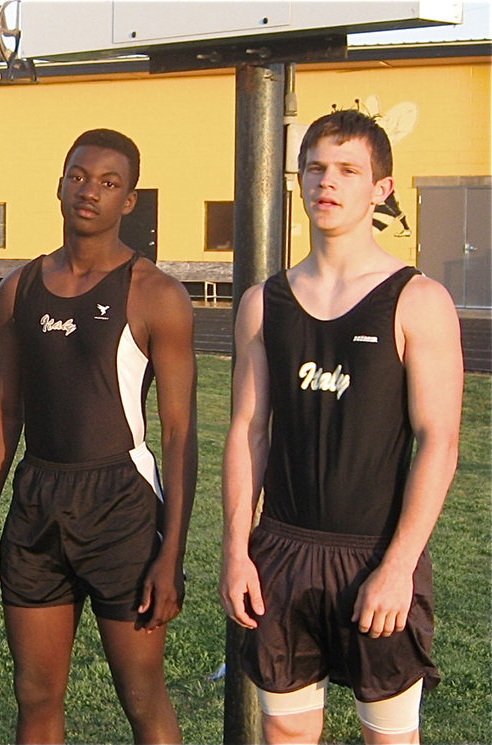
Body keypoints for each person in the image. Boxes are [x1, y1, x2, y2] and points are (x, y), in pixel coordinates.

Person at [218, 110, 463, 745]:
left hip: (375, 555)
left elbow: (440, 441)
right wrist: (237, 550)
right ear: (298, 179)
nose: (328, 182)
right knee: (287, 735)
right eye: (316, 168)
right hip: (282, 551)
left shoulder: (417, 299)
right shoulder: (261, 303)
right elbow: (247, 429)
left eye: (349, 170)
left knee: (387, 738)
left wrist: (399, 565)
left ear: (380, 188)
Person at [0, 129, 196, 744]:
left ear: (129, 200)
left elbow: (179, 435)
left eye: (108, 182)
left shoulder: (156, 295)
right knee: (36, 696)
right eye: (78, 176)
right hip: (37, 502)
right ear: (60, 183)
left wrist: (170, 553)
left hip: (120, 503)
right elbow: (5, 411)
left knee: (141, 695)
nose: (88, 191)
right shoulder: (19, 288)